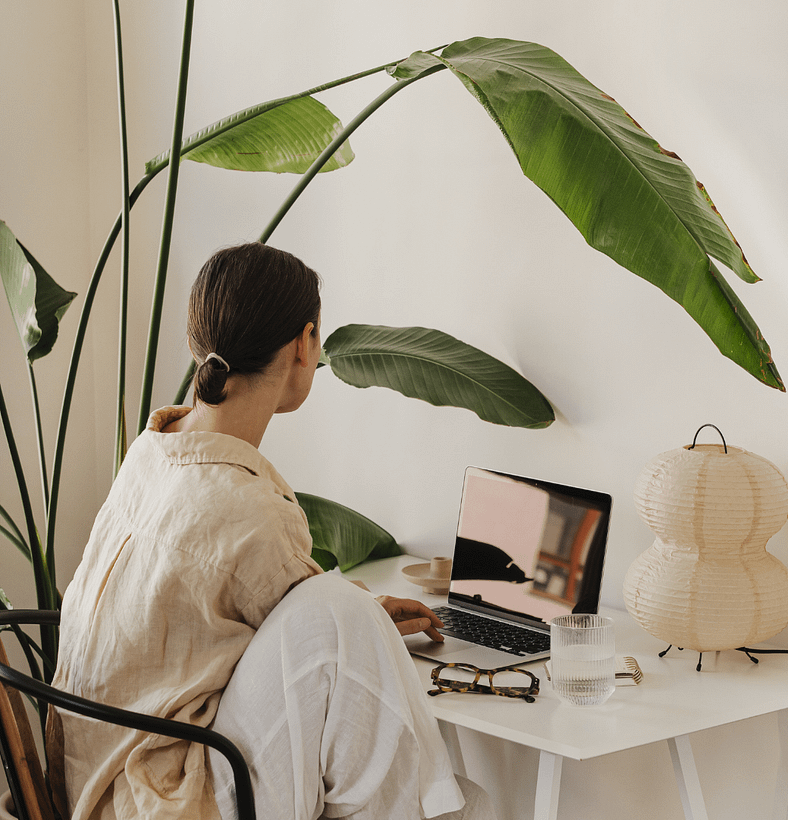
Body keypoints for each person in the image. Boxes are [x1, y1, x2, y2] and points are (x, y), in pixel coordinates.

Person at [47, 242, 494, 820]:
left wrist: (367, 615)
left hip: (82, 777)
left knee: (348, 616)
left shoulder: (153, 450)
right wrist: (364, 617)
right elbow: (315, 625)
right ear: (304, 345)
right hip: (159, 795)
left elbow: (257, 613)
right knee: (347, 618)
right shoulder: (249, 507)